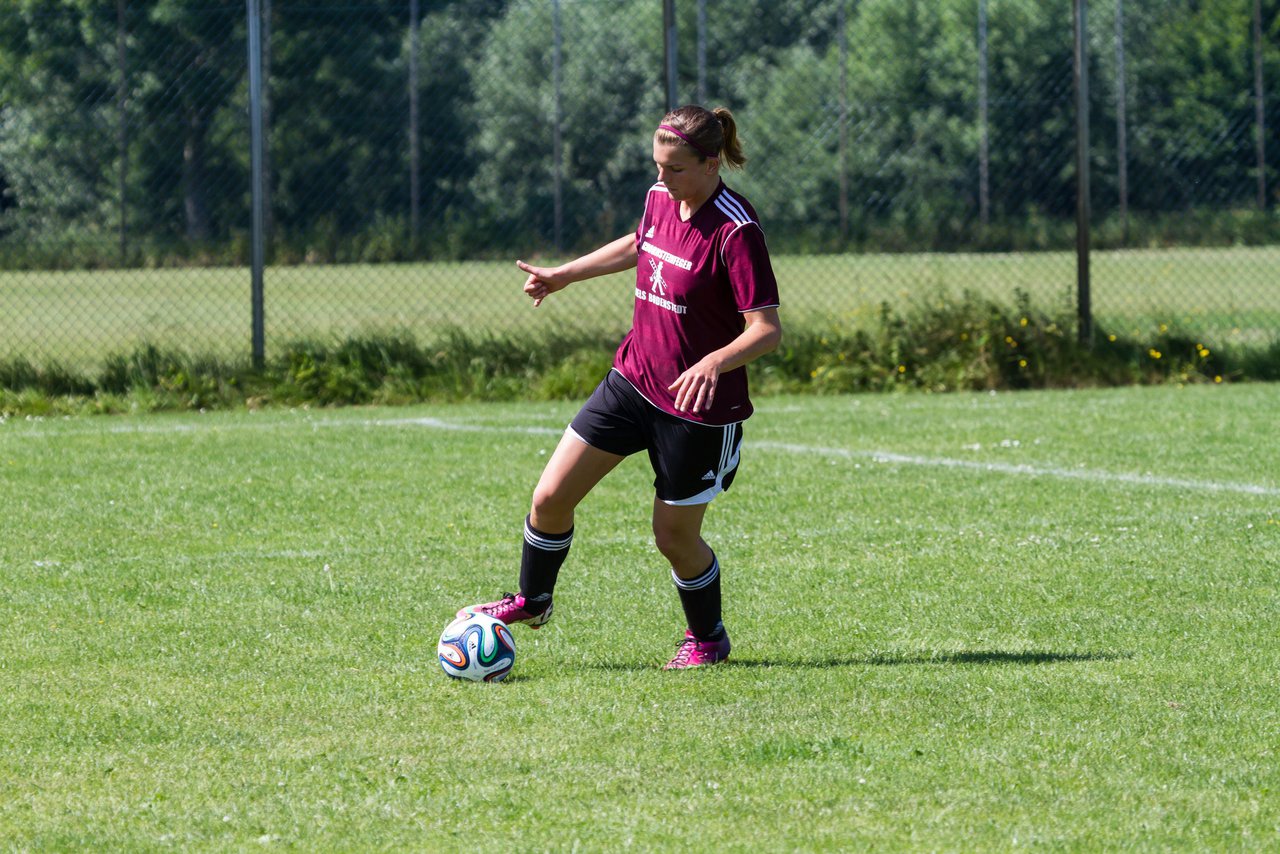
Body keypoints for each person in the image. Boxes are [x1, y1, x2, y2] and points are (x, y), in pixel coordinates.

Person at [460, 104, 782, 669]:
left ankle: (707, 639)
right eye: (658, 166)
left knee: (673, 538)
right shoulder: (663, 198)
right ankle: (533, 602)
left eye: (675, 168)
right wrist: (564, 274)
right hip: (633, 380)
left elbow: (766, 330)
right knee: (549, 498)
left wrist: (714, 363)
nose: (662, 179)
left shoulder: (737, 230)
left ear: (711, 165)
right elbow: (642, 243)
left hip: (696, 408)